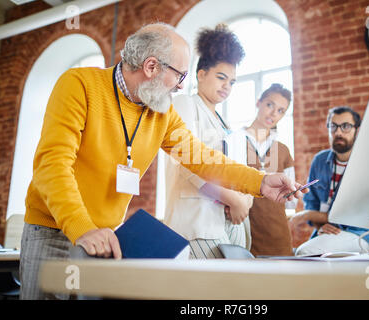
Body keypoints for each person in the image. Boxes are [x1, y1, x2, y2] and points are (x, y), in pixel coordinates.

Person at [19, 23, 304, 300]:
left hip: (106, 238)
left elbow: (203, 160)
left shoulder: (161, 113)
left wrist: (261, 182)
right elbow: (52, 165)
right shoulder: (79, 84)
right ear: (151, 67)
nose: (181, 87)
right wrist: (82, 227)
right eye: (180, 76)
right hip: (53, 229)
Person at [164, 24, 254, 259]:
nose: (227, 86)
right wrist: (234, 199)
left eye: (232, 82)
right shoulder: (185, 104)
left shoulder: (225, 123)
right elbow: (188, 163)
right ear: (201, 74)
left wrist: (246, 197)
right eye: (221, 77)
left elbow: (234, 170)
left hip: (230, 222)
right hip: (198, 221)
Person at [289, 106, 369, 256]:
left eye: (346, 126)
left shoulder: (367, 164)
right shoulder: (320, 161)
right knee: (302, 254)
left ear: (357, 130)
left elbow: (354, 215)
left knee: (305, 252)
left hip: (357, 234)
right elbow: (312, 202)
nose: (338, 132)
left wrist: (306, 215)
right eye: (333, 126)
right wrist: (319, 224)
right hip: (325, 233)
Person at [226, 83, 298, 256]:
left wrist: (293, 190)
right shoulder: (233, 141)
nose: (274, 113)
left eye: (281, 110)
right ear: (258, 102)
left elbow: (291, 202)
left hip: (278, 236)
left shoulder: (282, 150)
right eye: (270, 105)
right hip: (242, 233)